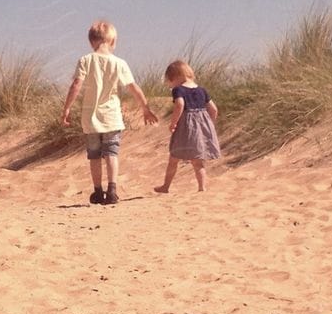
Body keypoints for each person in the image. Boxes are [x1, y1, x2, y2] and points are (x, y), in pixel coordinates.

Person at [60, 20, 156, 205]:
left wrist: (67, 108)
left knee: (94, 155)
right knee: (112, 153)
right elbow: (133, 87)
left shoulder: (85, 60)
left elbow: (76, 85)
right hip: (112, 116)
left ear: (91, 41)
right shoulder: (119, 63)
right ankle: (112, 190)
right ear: (112, 41)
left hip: (90, 118)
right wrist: (145, 108)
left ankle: (97, 192)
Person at [154, 59, 220, 193]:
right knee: (198, 161)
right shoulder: (202, 90)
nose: (171, 85)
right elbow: (213, 110)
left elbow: (180, 105)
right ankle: (202, 187)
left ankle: (166, 186)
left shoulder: (179, 90)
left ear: (175, 77)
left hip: (185, 128)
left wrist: (173, 122)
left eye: (170, 81)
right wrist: (209, 125)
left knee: (174, 158)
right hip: (201, 129)